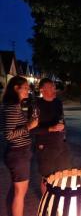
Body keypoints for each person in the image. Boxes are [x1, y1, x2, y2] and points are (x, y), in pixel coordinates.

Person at [0, 76, 38, 216]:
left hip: (19, 153)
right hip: (18, 154)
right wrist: (29, 126)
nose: (28, 90)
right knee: (20, 193)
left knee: (17, 190)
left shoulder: (14, 105)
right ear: (16, 88)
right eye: (26, 87)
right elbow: (9, 135)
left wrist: (28, 123)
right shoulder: (11, 107)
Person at [30, 78, 72, 195]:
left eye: (54, 87)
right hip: (45, 146)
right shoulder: (36, 105)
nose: (54, 89)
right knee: (47, 177)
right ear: (42, 89)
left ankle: (57, 201)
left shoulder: (58, 102)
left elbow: (61, 119)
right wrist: (51, 128)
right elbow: (32, 130)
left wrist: (64, 133)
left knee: (62, 174)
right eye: (51, 87)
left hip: (60, 144)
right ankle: (46, 205)